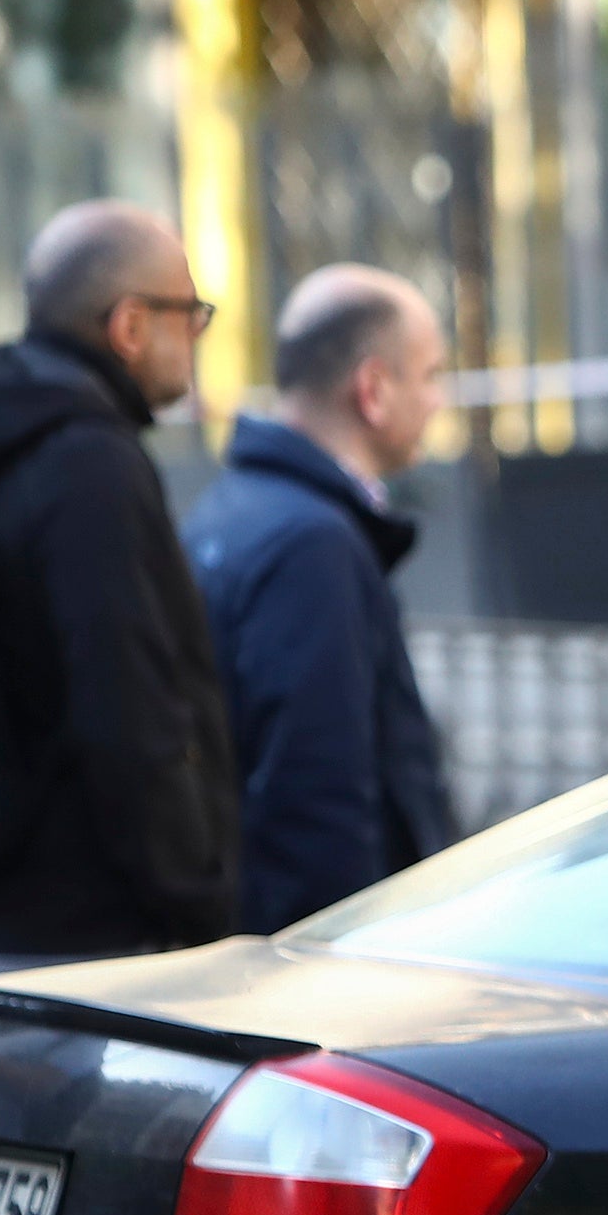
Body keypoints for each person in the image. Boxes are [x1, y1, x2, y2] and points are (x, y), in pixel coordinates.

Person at [0, 201, 237, 976]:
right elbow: (129, 705)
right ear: (129, 326)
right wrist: (199, 900)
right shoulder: (91, 466)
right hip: (90, 946)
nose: (195, 337)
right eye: (190, 314)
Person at [187, 265, 462, 931]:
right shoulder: (311, 544)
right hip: (324, 973)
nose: (437, 401)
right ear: (372, 389)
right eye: (429, 375)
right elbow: (317, 799)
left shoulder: (232, 511)